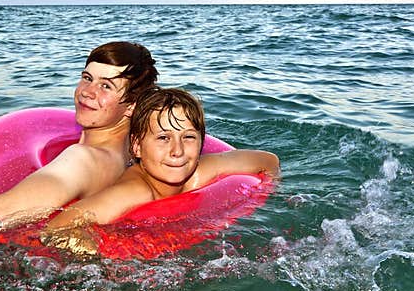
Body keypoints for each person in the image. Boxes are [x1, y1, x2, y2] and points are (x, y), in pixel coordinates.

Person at [0, 41, 159, 226]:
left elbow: (6, 211)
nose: (87, 91)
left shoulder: (84, 158)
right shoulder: (132, 150)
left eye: (106, 86)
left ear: (133, 105)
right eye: (86, 77)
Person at [40, 87, 280, 254]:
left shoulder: (200, 171)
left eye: (188, 137)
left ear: (201, 143)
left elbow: (268, 161)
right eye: (163, 137)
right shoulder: (133, 191)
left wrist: (267, 195)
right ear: (137, 146)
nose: (177, 151)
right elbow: (55, 229)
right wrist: (101, 252)